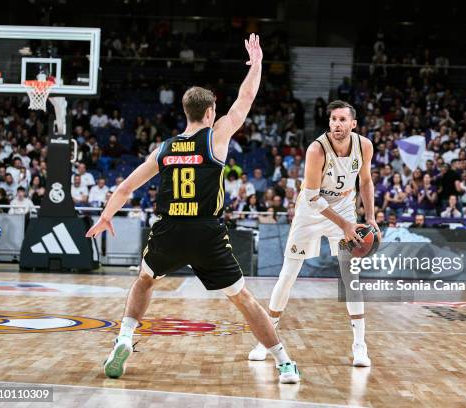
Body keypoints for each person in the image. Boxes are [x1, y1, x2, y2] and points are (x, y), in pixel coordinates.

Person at [87, 34, 300, 384]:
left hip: (170, 229)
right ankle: (284, 362)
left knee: (144, 281)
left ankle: (124, 338)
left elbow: (126, 187)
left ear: (185, 112)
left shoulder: (165, 148)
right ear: (210, 111)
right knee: (243, 299)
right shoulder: (216, 137)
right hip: (207, 233)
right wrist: (257, 64)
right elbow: (245, 99)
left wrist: (106, 216)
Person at [247, 100, 381, 367]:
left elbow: (365, 180)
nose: (337, 124)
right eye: (333, 119)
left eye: (343, 119)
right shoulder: (316, 149)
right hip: (312, 213)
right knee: (287, 276)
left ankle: (359, 346)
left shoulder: (364, 145)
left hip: (344, 210)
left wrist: (369, 216)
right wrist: (344, 224)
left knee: (350, 276)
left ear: (353, 124)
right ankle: (265, 341)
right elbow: (311, 197)